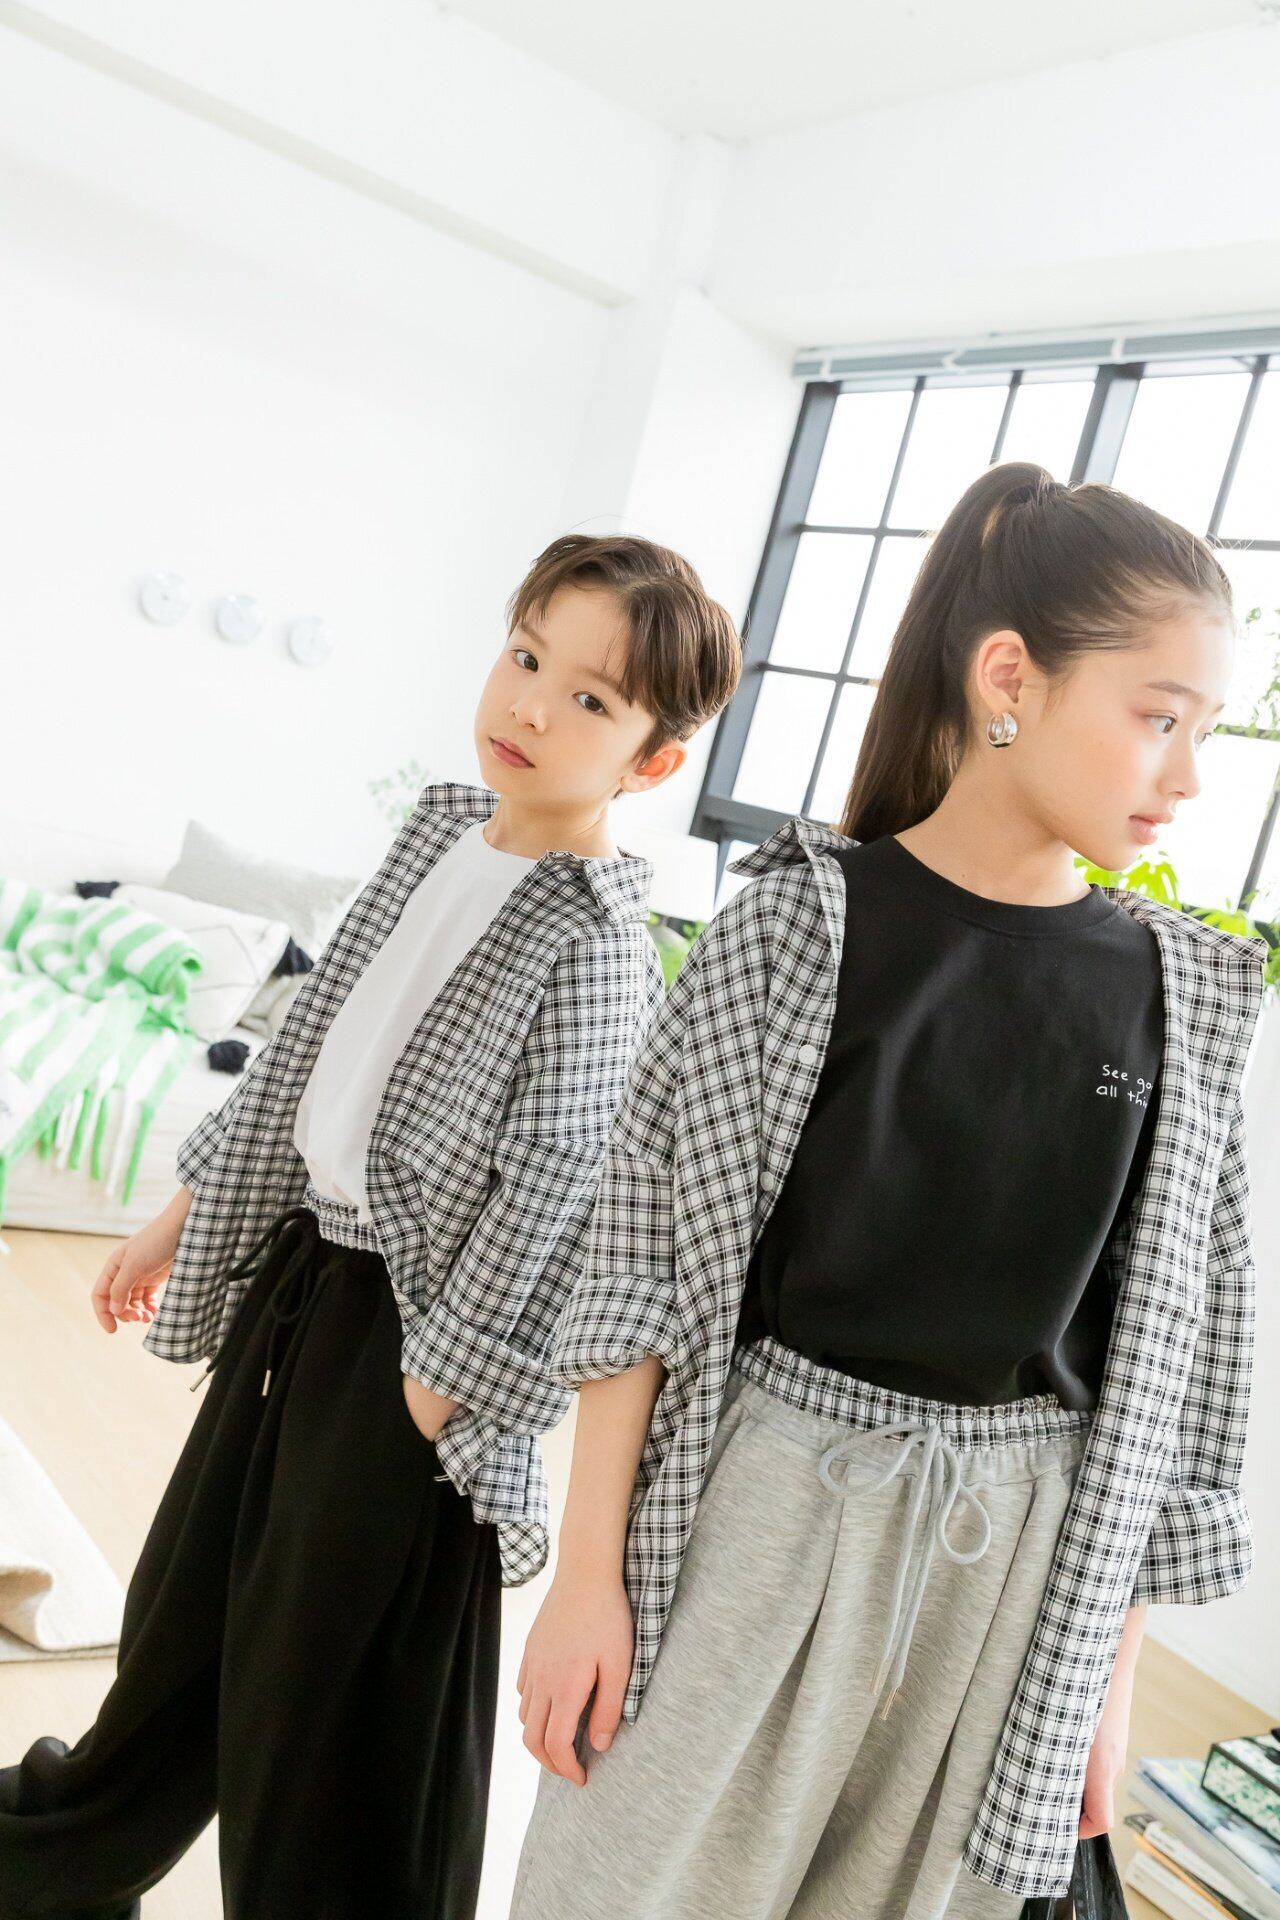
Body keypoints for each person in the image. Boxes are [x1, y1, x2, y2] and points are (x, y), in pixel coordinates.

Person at [508, 465, 1272, 1920]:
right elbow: (638, 1263)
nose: (1185, 777)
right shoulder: (799, 931)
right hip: (764, 1512)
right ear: (1011, 679)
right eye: (1158, 717)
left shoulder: (1183, 997)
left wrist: (1106, 1683)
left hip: (1022, 1572)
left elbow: (1177, 1372)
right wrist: (585, 1579)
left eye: (1206, 732)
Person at [0, 533, 742, 1920]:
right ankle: (55, 1864)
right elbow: (302, 1056)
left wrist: (433, 1389)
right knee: (184, 1623)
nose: (531, 706)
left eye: (589, 699)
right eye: (526, 657)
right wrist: (184, 1213)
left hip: (412, 1345)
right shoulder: (437, 836)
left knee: (329, 1707)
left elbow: (554, 1191)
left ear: (653, 763)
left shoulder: (595, 943)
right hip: (305, 1285)